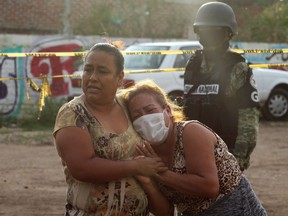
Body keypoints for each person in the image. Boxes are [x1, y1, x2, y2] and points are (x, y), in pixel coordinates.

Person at [53, 42, 170, 216]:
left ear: (120, 78)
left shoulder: (128, 106)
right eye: (88, 69)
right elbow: (82, 168)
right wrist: (136, 166)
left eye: (102, 71)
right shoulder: (73, 114)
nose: (92, 77)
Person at [122, 79, 267, 216]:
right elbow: (166, 212)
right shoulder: (146, 153)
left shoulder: (190, 132)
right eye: (137, 115)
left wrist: (162, 174)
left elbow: (209, 187)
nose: (145, 119)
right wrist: (148, 183)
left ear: (167, 110)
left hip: (236, 208)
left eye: (150, 110)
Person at [182, 1, 260, 171]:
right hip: (193, 152)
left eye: (214, 31)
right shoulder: (193, 65)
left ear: (228, 34)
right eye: (203, 30)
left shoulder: (237, 68)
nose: (208, 36)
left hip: (225, 155)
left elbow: (248, 121)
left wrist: (237, 162)